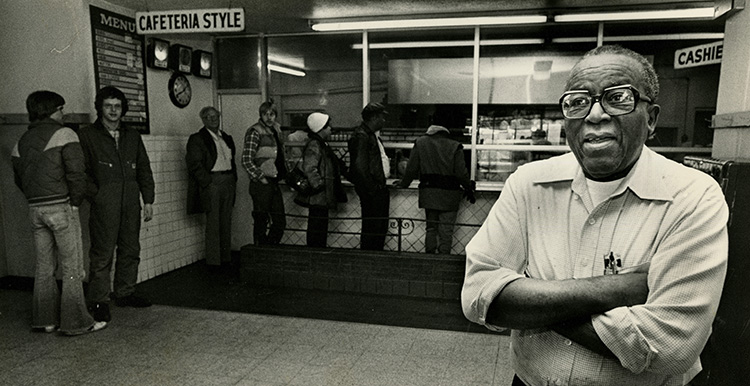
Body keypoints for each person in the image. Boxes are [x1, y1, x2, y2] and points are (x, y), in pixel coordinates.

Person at [461, 45, 728, 386]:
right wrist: (618, 289)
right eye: (578, 101)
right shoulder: (529, 184)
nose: (595, 115)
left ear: (652, 117)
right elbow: (477, 295)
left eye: (617, 98)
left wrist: (531, 301)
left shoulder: (693, 196)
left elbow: (671, 346)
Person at [11, 91, 108, 335]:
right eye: (61, 109)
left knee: (44, 267)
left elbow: (19, 179)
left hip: (36, 209)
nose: (63, 113)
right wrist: (74, 202)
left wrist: (37, 200)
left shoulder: (21, 141)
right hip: (61, 207)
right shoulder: (65, 134)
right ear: (51, 111)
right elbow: (77, 173)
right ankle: (76, 322)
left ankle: (44, 320)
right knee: (72, 266)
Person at [79, 86, 155, 322]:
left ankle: (125, 292)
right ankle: (99, 300)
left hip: (131, 202)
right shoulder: (87, 136)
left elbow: (143, 167)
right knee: (102, 254)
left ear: (123, 110)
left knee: (131, 249)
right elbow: (80, 172)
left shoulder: (132, 135)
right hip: (105, 204)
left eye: (117, 106)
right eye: (108, 106)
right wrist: (97, 194)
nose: (113, 111)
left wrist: (148, 199)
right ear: (100, 108)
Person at [395, 108, 473, 254]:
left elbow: (411, 169)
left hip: (429, 193)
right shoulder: (455, 146)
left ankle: (429, 260)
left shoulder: (421, 143)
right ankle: (443, 262)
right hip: (450, 195)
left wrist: (403, 184)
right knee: (446, 231)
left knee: (431, 229)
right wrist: (469, 187)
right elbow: (461, 173)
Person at [186, 107, 237, 270]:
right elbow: (194, 164)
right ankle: (214, 261)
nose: (213, 119)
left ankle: (225, 257)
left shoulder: (226, 138)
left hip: (228, 179)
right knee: (214, 221)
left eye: (215, 116)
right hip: (213, 181)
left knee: (226, 220)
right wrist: (207, 182)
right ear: (203, 120)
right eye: (208, 117)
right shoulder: (198, 139)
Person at [294, 112, 347, 247]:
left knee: (318, 228)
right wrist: (320, 185)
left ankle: (315, 256)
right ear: (321, 128)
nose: (330, 128)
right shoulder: (316, 145)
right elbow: (310, 168)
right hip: (318, 196)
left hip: (320, 197)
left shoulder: (319, 144)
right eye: (328, 126)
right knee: (317, 230)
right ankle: (314, 256)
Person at [241, 100, 287, 245]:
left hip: (273, 180)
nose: (269, 117)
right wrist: (261, 178)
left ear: (276, 115)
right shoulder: (255, 132)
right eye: (265, 114)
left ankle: (267, 250)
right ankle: (261, 254)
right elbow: (246, 160)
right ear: (260, 115)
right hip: (262, 183)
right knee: (261, 222)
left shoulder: (276, 131)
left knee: (279, 221)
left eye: (272, 114)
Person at [348, 102, 390, 251]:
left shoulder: (367, 135)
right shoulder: (363, 136)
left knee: (375, 227)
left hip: (374, 188)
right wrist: (372, 189)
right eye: (381, 117)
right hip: (373, 190)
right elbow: (360, 166)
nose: (384, 120)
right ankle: (370, 259)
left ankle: (371, 258)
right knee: (374, 228)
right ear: (373, 118)